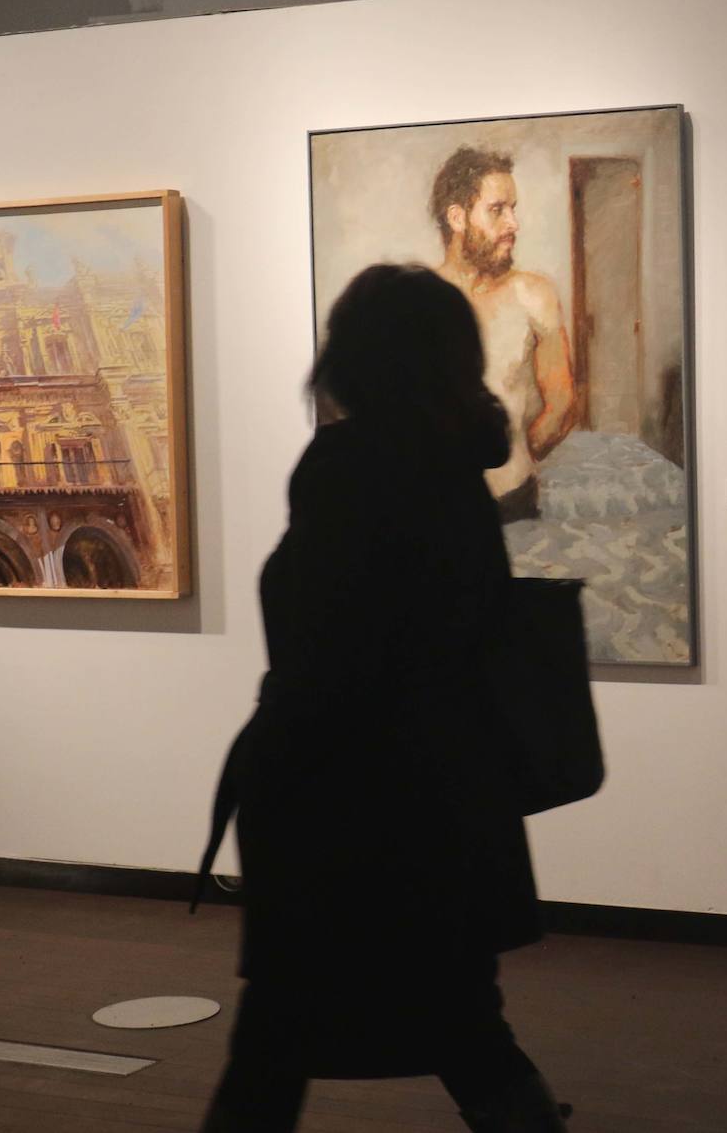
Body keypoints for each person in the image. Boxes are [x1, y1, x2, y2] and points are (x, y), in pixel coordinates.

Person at [199, 264, 571, 1131]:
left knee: (279, 1039)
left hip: (344, 810)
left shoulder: (350, 468)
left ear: (358, 357)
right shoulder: (455, 467)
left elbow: (328, 651)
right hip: (444, 799)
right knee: (463, 1027)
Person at [431, 146, 576, 523]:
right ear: (457, 218)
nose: (513, 224)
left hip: (513, 500)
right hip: (433, 508)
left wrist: (516, 454)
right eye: (497, 210)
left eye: (513, 208)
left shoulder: (533, 294)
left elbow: (561, 402)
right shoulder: (415, 300)